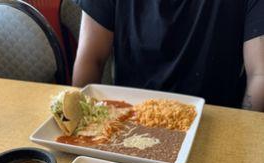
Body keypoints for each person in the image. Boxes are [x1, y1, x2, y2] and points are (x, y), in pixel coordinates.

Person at [72, 1, 264, 112]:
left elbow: (259, 74)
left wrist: (244, 131)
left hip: (214, 123)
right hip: (126, 118)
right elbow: (91, 58)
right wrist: (83, 123)